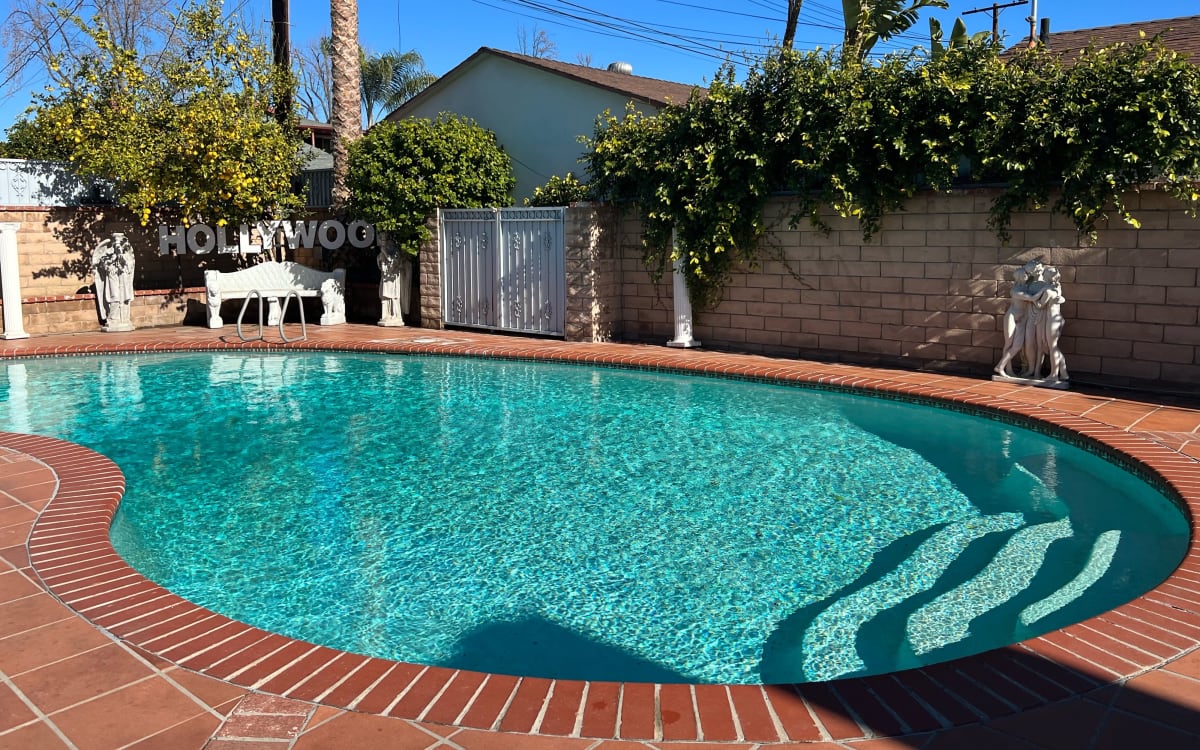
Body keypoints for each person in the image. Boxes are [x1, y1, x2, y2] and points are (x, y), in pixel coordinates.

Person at [92, 233, 135, 332]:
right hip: (112, 280)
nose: (117, 247)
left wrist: (121, 260)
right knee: (114, 297)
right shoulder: (107, 257)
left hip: (123, 282)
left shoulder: (124, 256)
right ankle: (112, 318)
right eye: (116, 246)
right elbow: (102, 266)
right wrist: (111, 263)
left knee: (124, 299)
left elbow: (128, 267)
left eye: (119, 245)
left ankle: (124, 318)